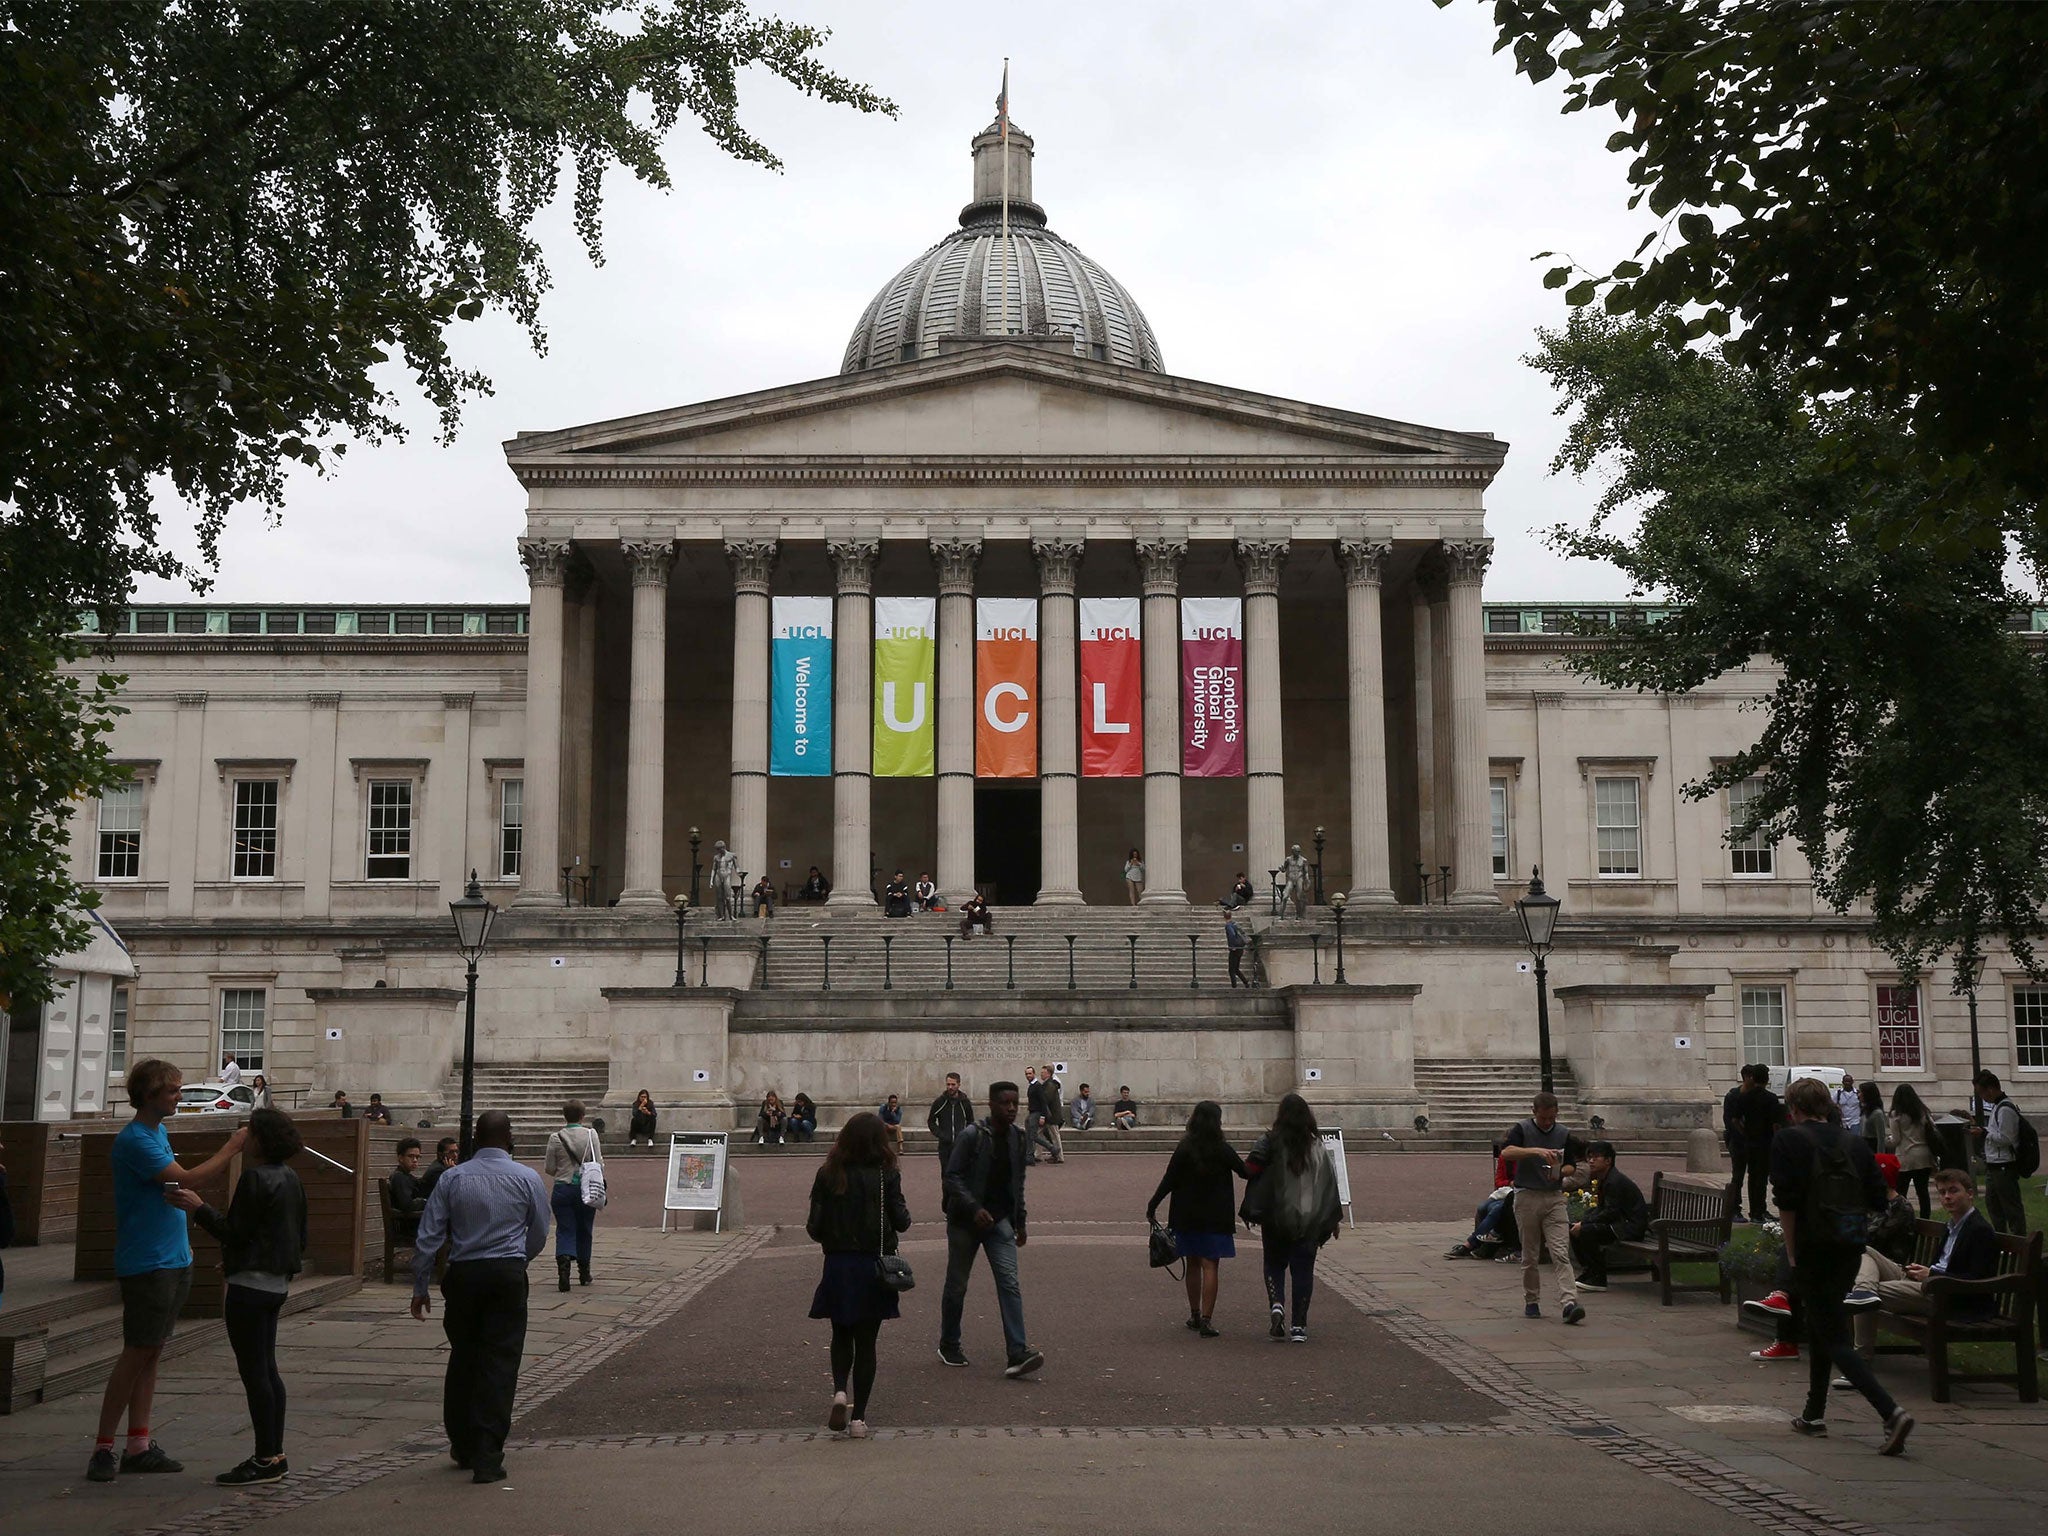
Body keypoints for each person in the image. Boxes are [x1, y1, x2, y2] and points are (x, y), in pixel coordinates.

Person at [88, 1059, 250, 1484]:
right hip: (148, 1261)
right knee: (136, 1352)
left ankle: (138, 1444)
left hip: (174, 1257)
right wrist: (233, 1147)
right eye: (174, 1090)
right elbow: (186, 1177)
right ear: (149, 1094)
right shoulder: (135, 1140)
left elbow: (174, 1187)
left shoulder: (157, 1132)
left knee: (152, 1352)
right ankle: (104, 1446)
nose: (180, 1096)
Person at [1769, 1076, 1914, 1453]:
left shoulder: (1788, 1139)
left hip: (1812, 1245)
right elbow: (1877, 1200)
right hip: (1849, 1245)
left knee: (1832, 1335)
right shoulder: (1852, 1142)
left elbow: (1785, 1202)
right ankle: (1814, 1413)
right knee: (1825, 1322)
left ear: (1794, 1108)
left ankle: (1890, 1411)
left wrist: (1791, 1252)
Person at [410, 1109, 551, 1485]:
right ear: (509, 1138)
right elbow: (538, 1232)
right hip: (506, 1274)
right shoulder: (527, 1178)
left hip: (465, 1274)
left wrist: (420, 1285)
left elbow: (429, 1235)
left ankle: (462, 1443)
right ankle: (489, 1454)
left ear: (475, 1137)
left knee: (464, 1358)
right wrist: (517, 1261)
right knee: (500, 1364)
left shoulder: (454, 1178)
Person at [192, 1107, 308, 1486]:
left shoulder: (256, 1178)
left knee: (255, 1372)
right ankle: (274, 1452)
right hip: (274, 1283)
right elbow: (288, 1234)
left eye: (250, 1132)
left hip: (250, 1289)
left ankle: (264, 1458)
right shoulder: (290, 1177)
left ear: (261, 1139)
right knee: (268, 1370)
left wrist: (199, 1209)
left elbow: (236, 1231)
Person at [806, 1112, 912, 1439]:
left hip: (839, 1264)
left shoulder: (828, 1174)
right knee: (867, 1342)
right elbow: (903, 1220)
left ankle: (840, 1391)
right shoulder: (886, 1175)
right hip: (872, 1265)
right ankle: (859, 1419)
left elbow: (814, 1227)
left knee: (841, 1333)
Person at [938, 1081, 1042, 1378]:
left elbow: (1017, 1183)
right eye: (1005, 1103)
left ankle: (1017, 1351)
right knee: (957, 1285)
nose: (1011, 1108)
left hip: (1000, 1222)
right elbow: (952, 1176)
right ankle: (949, 1343)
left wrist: (1020, 1221)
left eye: (1015, 1103)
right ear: (991, 1104)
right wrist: (974, 1208)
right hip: (965, 1223)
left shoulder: (1018, 1138)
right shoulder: (972, 1136)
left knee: (1010, 1284)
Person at [1846, 1167, 2001, 1351]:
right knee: (1864, 1251)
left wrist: (1932, 1274)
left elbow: (1977, 1279)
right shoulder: (1952, 1226)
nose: (1947, 1197)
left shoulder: (1979, 1230)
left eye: (1953, 1191)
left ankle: (1860, 1359)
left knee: (1870, 1293)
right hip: (1927, 1281)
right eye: (1942, 1192)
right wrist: (1924, 1271)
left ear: (1969, 1194)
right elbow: (1943, 1263)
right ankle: (1864, 1291)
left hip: (1946, 1295)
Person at [1242, 1093, 1343, 1341]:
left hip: (1276, 1216)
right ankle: (1299, 1325)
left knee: (1274, 1264)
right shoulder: (1317, 1145)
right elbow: (1329, 1183)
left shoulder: (1269, 1141)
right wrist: (1333, 1218)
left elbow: (1250, 1169)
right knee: (1303, 1270)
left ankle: (1277, 1304)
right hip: (1309, 1218)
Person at [1146, 1101, 1251, 1336]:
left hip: (1187, 1214)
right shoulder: (1222, 1148)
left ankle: (1194, 1314)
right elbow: (1245, 1172)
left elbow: (1169, 1179)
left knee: (1193, 1262)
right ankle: (1206, 1318)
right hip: (1216, 1215)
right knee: (1210, 1264)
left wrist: (1153, 1204)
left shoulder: (1185, 1147)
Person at [1501, 1091, 1586, 1325]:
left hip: (1554, 1196)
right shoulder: (1522, 1129)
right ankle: (1532, 1299)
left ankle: (1569, 1303)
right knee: (1530, 1253)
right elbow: (1506, 1152)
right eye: (1543, 1118)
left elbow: (1571, 1165)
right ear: (1534, 1112)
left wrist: (1559, 1171)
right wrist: (1536, 1150)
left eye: (1552, 1118)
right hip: (1527, 1195)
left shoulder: (1563, 1133)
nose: (1548, 1123)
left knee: (1560, 1252)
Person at [1567, 1141, 1648, 1291]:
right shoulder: (1605, 1178)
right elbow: (1602, 1209)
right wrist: (1584, 1220)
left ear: (1608, 1160)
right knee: (1575, 1229)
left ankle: (1598, 1277)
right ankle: (1590, 1271)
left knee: (1586, 1231)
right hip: (1619, 1223)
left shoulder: (1614, 1181)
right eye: (1589, 1157)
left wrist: (1585, 1224)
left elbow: (1612, 1212)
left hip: (1629, 1227)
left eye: (1596, 1157)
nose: (1591, 1161)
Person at [543, 1101, 602, 1291]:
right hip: (586, 1188)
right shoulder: (591, 1134)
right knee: (585, 1228)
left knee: (565, 1228)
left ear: (564, 1116)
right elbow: (598, 1162)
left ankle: (564, 1267)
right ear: (582, 1116)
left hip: (563, 1188)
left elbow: (549, 1168)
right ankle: (584, 1272)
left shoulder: (555, 1138)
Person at [1724, 1064, 1785, 1223]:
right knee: (1753, 1177)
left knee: (1752, 1177)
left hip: (1749, 1141)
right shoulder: (1768, 1098)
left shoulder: (1743, 1097)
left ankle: (1756, 1212)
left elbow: (1735, 1120)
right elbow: (1776, 1124)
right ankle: (1752, 1210)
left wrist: (1745, 1132)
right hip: (1758, 1142)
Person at [1970, 1071, 2027, 1235]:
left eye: (1981, 1093)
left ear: (1990, 1090)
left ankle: (2019, 1240)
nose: (1982, 1097)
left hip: (2004, 1165)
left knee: (2010, 1206)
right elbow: (1997, 1131)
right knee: (1993, 1204)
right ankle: (2002, 1238)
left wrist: (1984, 1134)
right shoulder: (1998, 1107)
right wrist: (1984, 1130)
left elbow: (2006, 1138)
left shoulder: (2005, 1109)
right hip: (1994, 1164)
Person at [1887, 1084, 1937, 1218]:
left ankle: (1902, 1218)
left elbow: (1896, 1139)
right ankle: (1926, 1219)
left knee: (1901, 1192)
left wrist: (1888, 1140)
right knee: (1923, 1192)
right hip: (1924, 1155)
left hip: (1905, 1156)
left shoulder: (1895, 1114)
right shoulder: (1923, 1111)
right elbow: (1932, 1129)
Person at [928, 1073, 975, 1195]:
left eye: (953, 1084)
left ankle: (959, 1205)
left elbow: (971, 1121)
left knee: (962, 1177)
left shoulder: (965, 1103)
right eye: (948, 1084)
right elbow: (931, 1121)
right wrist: (941, 1135)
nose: (950, 1087)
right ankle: (947, 1205)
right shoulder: (939, 1102)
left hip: (961, 1146)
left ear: (959, 1085)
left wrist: (966, 1136)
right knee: (947, 1177)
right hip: (945, 1147)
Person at [388, 1138, 426, 1241]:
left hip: (414, 1224)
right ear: (400, 1158)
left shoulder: (407, 1176)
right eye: (411, 1156)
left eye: (417, 1157)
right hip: (409, 1227)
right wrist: (424, 1202)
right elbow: (407, 1205)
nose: (415, 1160)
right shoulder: (399, 1177)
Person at [1025, 1068, 1061, 1165]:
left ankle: (1052, 1148)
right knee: (1029, 1135)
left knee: (1033, 1135)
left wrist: (1042, 1116)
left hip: (1036, 1113)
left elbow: (1043, 1102)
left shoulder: (1037, 1086)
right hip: (1031, 1112)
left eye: (1030, 1073)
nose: (1028, 1075)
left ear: (1034, 1074)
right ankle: (1029, 1157)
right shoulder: (1032, 1086)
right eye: (1027, 1074)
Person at [417, 1137, 460, 1203]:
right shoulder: (437, 1171)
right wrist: (453, 1172)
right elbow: (451, 1192)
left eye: (456, 1151)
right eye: (451, 1152)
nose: (455, 1155)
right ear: (440, 1155)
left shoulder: (445, 1167)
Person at [1279, 844, 1311, 917]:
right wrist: (1281, 869)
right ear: (1293, 851)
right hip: (1291, 879)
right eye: (1296, 851)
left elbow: (1306, 872)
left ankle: (1299, 915)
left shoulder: (1303, 860)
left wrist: (1307, 881)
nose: (1298, 853)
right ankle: (1281, 915)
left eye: (1299, 851)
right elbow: (1284, 869)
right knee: (1285, 896)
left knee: (1299, 897)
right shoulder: (1288, 859)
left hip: (1299, 879)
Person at [710, 840, 739, 920]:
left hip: (726, 875)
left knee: (728, 897)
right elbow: (714, 869)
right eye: (717, 850)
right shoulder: (716, 857)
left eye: (719, 849)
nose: (718, 851)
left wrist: (739, 873)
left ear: (723, 848)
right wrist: (711, 880)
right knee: (719, 897)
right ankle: (722, 915)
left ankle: (731, 915)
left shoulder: (732, 855)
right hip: (718, 876)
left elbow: (736, 866)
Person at [1857, 1082, 1887, 1154]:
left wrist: (1880, 1155)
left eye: (1861, 1092)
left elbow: (1881, 1137)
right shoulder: (1865, 1111)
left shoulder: (1877, 1113)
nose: (1859, 1095)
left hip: (1872, 1148)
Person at [1224, 908, 1250, 988]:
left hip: (1235, 949)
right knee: (1236, 968)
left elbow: (1231, 935)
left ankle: (1234, 986)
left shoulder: (1228, 925)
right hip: (1240, 948)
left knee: (1231, 969)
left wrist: (1232, 947)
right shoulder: (1234, 923)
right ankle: (1245, 982)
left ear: (1224, 917)